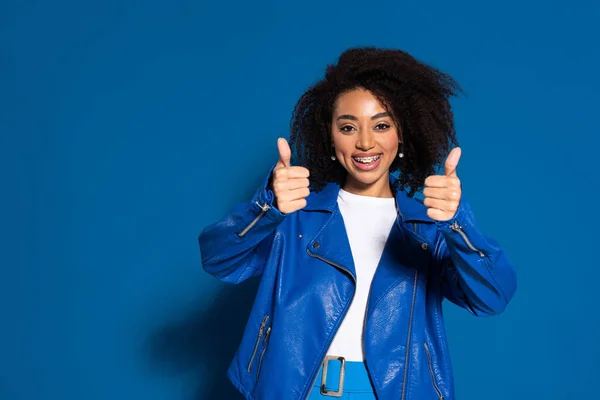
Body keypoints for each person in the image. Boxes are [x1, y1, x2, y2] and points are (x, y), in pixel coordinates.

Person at [198, 47, 517, 400]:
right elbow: (218, 259)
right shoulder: (294, 216)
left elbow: (493, 297)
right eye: (348, 127)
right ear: (330, 139)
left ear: (402, 137)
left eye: (381, 125)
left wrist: (458, 224)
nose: (365, 142)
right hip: (297, 390)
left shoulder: (428, 227)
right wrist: (266, 206)